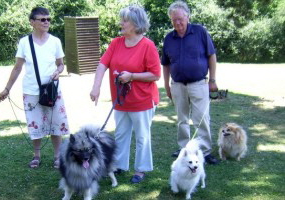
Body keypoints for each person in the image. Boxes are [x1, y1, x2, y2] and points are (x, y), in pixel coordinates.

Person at [90, 4, 161, 184]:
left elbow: (155, 74)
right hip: (121, 101)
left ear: (136, 24)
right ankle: (120, 165)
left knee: (142, 136)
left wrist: (132, 76)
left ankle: (141, 169)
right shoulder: (116, 43)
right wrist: (96, 87)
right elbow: (102, 65)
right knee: (121, 134)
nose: (121, 23)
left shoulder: (148, 46)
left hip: (142, 101)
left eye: (125, 20)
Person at [0, 7, 69, 169]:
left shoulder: (55, 41)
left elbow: (61, 65)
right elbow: (17, 68)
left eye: (48, 19)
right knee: (35, 124)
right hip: (31, 91)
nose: (46, 22)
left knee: (56, 123)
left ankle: (57, 157)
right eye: (42, 19)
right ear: (32, 22)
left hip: (52, 90)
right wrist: (7, 89)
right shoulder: (24, 42)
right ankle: (36, 155)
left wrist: (58, 72)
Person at [161, 1, 219, 164]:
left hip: (199, 83)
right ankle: (184, 149)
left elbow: (211, 56)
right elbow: (165, 64)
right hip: (178, 85)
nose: (177, 23)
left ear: (187, 16)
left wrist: (213, 80)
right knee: (182, 119)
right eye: (174, 20)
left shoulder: (200, 32)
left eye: (180, 19)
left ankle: (205, 151)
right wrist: (167, 85)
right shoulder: (169, 38)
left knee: (202, 118)